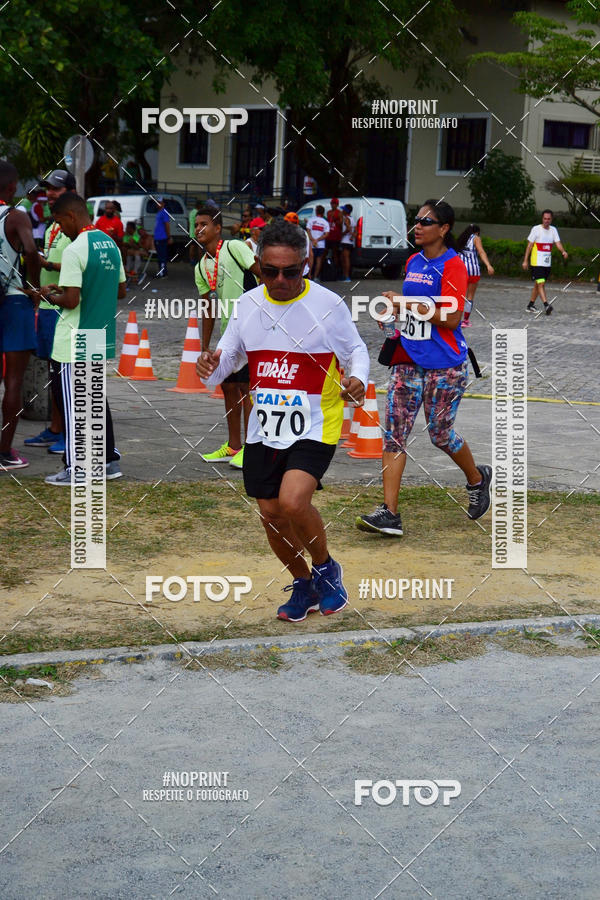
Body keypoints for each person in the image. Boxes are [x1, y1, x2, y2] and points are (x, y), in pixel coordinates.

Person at [196, 219, 369, 622]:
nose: (280, 280)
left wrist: (358, 378)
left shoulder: (327, 305)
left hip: (315, 422)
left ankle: (326, 568)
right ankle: (303, 582)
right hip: (265, 428)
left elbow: (356, 350)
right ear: (258, 264)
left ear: (306, 264)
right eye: (270, 271)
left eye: (291, 271)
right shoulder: (247, 305)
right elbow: (226, 363)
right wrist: (210, 364)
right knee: (271, 514)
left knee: (293, 501)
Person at [356, 199, 492, 537]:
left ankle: (477, 479)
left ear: (444, 229)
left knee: (440, 435)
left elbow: (450, 317)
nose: (417, 226)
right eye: (416, 220)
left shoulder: (454, 265)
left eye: (426, 222)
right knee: (394, 436)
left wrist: (406, 303)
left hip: (445, 365)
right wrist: (392, 316)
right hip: (407, 360)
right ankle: (389, 514)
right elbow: (416, 311)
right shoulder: (413, 261)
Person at [33, 192, 126, 485]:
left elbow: (71, 300)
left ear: (71, 216)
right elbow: (120, 290)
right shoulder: (109, 244)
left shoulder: (75, 250)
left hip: (73, 338)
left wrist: (50, 294)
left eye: (60, 222)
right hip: (98, 332)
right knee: (94, 401)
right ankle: (107, 461)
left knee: (74, 406)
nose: (60, 229)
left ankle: (78, 468)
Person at [194, 207, 261, 469]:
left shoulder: (234, 247)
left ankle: (253, 448)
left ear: (218, 228)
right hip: (229, 335)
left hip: (253, 330)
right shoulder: (201, 266)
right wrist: (205, 346)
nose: (199, 229)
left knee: (247, 388)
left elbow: (261, 272)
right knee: (228, 387)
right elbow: (207, 307)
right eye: (196, 225)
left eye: (204, 224)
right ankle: (234, 445)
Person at [24, 169, 77, 457]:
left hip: (63, 306)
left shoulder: (75, 224)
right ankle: (56, 428)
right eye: (48, 189)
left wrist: (46, 265)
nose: (51, 194)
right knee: (53, 371)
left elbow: (78, 266)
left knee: (64, 372)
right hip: (46, 305)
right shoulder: (53, 224)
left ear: (71, 190)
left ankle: (69, 432)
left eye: (56, 189)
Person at [0, 161, 41, 469]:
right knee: (13, 380)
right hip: (14, 301)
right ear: (12, 187)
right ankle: (4, 452)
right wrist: (34, 286)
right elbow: (29, 250)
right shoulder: (15, 216)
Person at [522, 209, 568, 315]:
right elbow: (529, 246)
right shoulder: (536, 229)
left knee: (538, 285)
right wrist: (525, 260)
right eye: (545, 218)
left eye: (548, 219)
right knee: (541, 283)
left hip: (547, 263)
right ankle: (546, 305)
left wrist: (563, 251)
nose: (546, 220)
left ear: (551, 220)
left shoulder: (553, 230)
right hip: (536, 262)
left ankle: (530, 305)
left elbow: (558, 243)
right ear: (542, 219)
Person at [456, 224, 494, 326]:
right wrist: (488, 265)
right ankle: (465, 320)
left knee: (459, 295)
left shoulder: (461, 239)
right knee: (470, 296)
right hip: (473, 271)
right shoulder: (476, 238)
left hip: (461, 270)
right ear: (477, 232)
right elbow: (481, 252)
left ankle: (456, 318)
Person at [284, 211, 313, 277]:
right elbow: (311, 254)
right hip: (304, 271)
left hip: (291, 272)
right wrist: (309, 271)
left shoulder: (287, 234)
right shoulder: (305, 233)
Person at [306, 204, 329, 282]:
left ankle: (309, 275)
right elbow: (326, 234)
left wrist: (313, 240)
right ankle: (315, 277)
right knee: (319, 260)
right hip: (321, 244)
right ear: (323, 213)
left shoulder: (311, 220)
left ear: (316, 211)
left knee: (310, 259)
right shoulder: (325, 222)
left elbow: (308, 230)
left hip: (311, 244)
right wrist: (318, 240)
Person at [153, 196, 172, 277]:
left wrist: (168, 237)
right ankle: (163, 272)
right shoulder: (159, 212)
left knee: (162, 256)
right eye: (157, 202)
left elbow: (167, 225)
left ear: (163, 203)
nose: (158, 204)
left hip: (162, 238)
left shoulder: (164, 212)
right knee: (160, 256)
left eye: (159, 202)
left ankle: (162, 273)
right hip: (158, 238)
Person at [326, 197, 344, 277]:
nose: (333, 205)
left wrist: (335, 219)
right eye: (332, 203)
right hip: (328, 236)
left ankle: (336, 271)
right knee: (325, 253)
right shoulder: (329, 212)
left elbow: (341, 224)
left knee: (335, 254)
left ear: (337, 204)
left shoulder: (339, 213)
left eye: (334, 204)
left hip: (336, 236)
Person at [340, 203, 355, 282]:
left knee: (345, 259)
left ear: (346, 211)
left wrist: (342, 234)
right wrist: (352, 236)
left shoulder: (346, 219)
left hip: (345, 241)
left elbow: (348, 228)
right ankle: (345, 276)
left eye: (343, 209)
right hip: (349, 242)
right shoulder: (352, 218)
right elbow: (355, 230)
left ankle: (346, 277)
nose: (342, 211)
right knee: (344, 259)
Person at [188, 199, 202, 265]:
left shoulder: (191, 212)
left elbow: (189, 222)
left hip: (191, 233)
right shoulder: (198, 213)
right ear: (199, 206)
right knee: (199, 247)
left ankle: (191, 261)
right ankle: (200, 262)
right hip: (197, 233)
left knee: (192, 247)